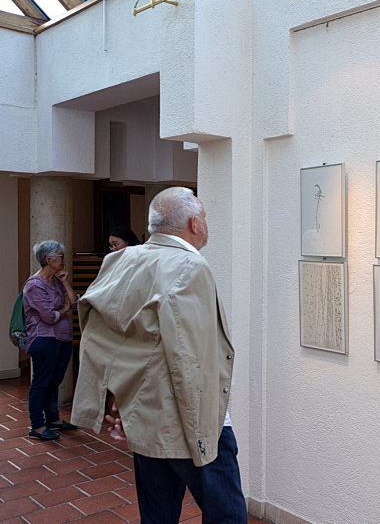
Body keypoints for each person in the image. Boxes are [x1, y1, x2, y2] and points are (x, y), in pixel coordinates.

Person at [72, 187, 247, 524]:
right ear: (195, 223)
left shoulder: (119, 259)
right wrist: (203, 432)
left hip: (142, 415)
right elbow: (190, 357)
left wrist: (115, 397)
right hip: (192, 420)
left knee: (157, 516)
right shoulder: (190, 266)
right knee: (227, 515)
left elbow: (101, 334)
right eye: (204, 217)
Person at [23, 240, 79, 441]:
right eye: (61, 257)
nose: (64, 260)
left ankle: (53, 420)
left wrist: (65, 283)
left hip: (62, 338)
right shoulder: (34, 285)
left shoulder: (56, 280)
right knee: (41, 382)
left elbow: (74, 303)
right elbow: (49, 317)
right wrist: (63, 309)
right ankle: (37, 426)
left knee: (54, 382)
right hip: (44, 339)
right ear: (49, 260)